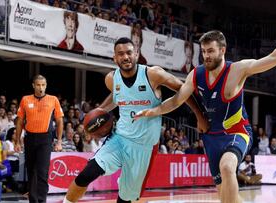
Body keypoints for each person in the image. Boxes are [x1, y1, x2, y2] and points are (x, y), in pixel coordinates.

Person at [136, 13, 276, 203]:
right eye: (204, 51)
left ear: (223, 50)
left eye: (210, 51)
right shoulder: (195, 74)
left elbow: (274, 58)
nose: (206, 56)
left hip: (237, 131)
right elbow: (176, 100)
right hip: (211, 137)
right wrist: (154, 111)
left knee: (227, 167)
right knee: (226, 196)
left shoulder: (238, 70)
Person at [63, 37, 208, 203]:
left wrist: (199, 115)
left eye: (129, 53)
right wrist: (97, 114)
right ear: (115, 58)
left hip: (144, 147)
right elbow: (117, 97)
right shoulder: (111, 79)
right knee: (86, 174)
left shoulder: (153, 74)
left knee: (125, 198)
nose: (125, 57)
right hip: (120, 139)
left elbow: (183, 89)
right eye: (121, 54)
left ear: (137, 54)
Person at [15, 75, 64, 203]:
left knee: (42, 171)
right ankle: (33, 200)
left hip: (45, 139)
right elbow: (19, 121)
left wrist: (59, 141)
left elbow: (59, 121)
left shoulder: (53, 100)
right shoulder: (25, 99)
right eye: (38, 85)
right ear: (33, 85)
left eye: (43, 85)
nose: (40, 87)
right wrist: (17, 141)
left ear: (46, 85)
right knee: (31, 171)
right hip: (29, 138)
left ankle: (42, 200)